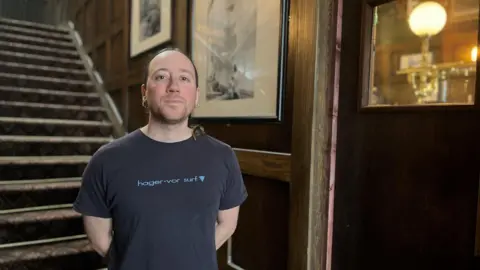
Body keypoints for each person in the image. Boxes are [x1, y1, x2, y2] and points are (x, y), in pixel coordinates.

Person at [73, 47, 248, 270]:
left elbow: (227, 224)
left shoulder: (223, 156)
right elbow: (100, 239)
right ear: (144, 92)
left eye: (184, 78)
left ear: (196, 95)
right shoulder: (106, 160)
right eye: (162, 77)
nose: (173, 87)